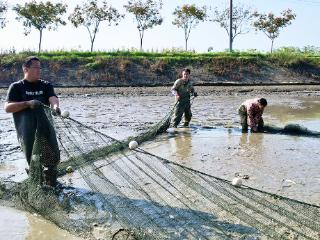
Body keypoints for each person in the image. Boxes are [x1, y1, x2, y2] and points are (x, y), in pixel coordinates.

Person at [4, 56, 61, 187]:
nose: (39, 70)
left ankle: (52, 186)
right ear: (26, 68)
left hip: (46, 130)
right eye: (36, 67)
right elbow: (7, 107)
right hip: (27, 133)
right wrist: (28, 103)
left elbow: (53, 99)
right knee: (34, 162)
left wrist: (56, 107)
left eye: (40, 68)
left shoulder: (46, 85)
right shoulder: (16, 87)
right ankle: (37, 188)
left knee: (51, 160)